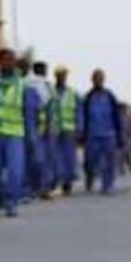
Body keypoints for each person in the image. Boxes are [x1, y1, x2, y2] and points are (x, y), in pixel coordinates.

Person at [0, 49, 40, 217]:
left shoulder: (24, 85)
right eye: (6, 60)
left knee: (15, 170)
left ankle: (11, 202)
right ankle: (0, 194)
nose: (9, 62)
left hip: (15, 133)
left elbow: (29, 113)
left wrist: (31, 138)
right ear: (0, 62)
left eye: (12, 60)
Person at [82, 69, 123, 195]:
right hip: (92, 135)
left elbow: (116, 115)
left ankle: (107, 185)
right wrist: (82, 133)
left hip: (108, 134)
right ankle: (90, 177)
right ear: (92, 80)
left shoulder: (109, 96)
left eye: (101, 78)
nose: (99, 80)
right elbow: (83, 116)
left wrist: (119, 133)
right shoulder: (88, 97)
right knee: (90, 161)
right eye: (96, 78)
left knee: (109, 161)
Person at [26, 61, 56, 200]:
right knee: (40, 159)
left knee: (37, 159)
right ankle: (39, 188)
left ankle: (38, 188)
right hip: (38, 127)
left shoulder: (29, 83)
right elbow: (48, 107)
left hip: (36, 126)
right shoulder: (40, 85)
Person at [50, 66, 82, 195]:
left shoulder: (73, 93)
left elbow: (79, 112)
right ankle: (55, 179)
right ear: (55, 76)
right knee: (54, 156)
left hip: (69, 129)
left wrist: (79, 128)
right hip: (54, 129)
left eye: (63, 75)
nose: (61, 77)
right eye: (59, 75)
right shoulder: (50, 92)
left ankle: (67, 182)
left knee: (69, 157)